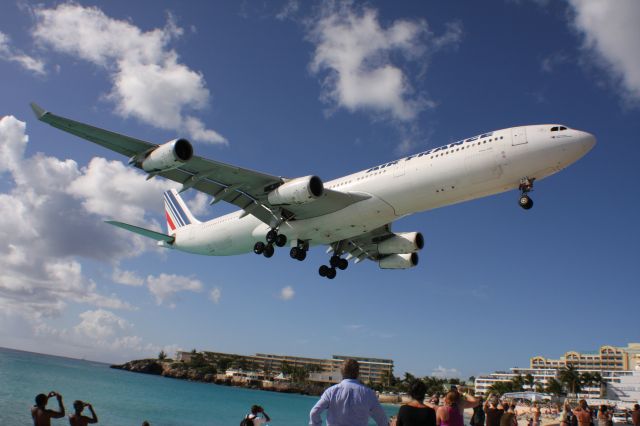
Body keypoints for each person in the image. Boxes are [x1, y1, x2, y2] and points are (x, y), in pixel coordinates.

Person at [309, 359, 388, 426]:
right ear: (358, 373)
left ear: (342, 373)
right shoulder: (369, 394)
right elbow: (382, 420)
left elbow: (314, 413)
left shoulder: (331, 392)